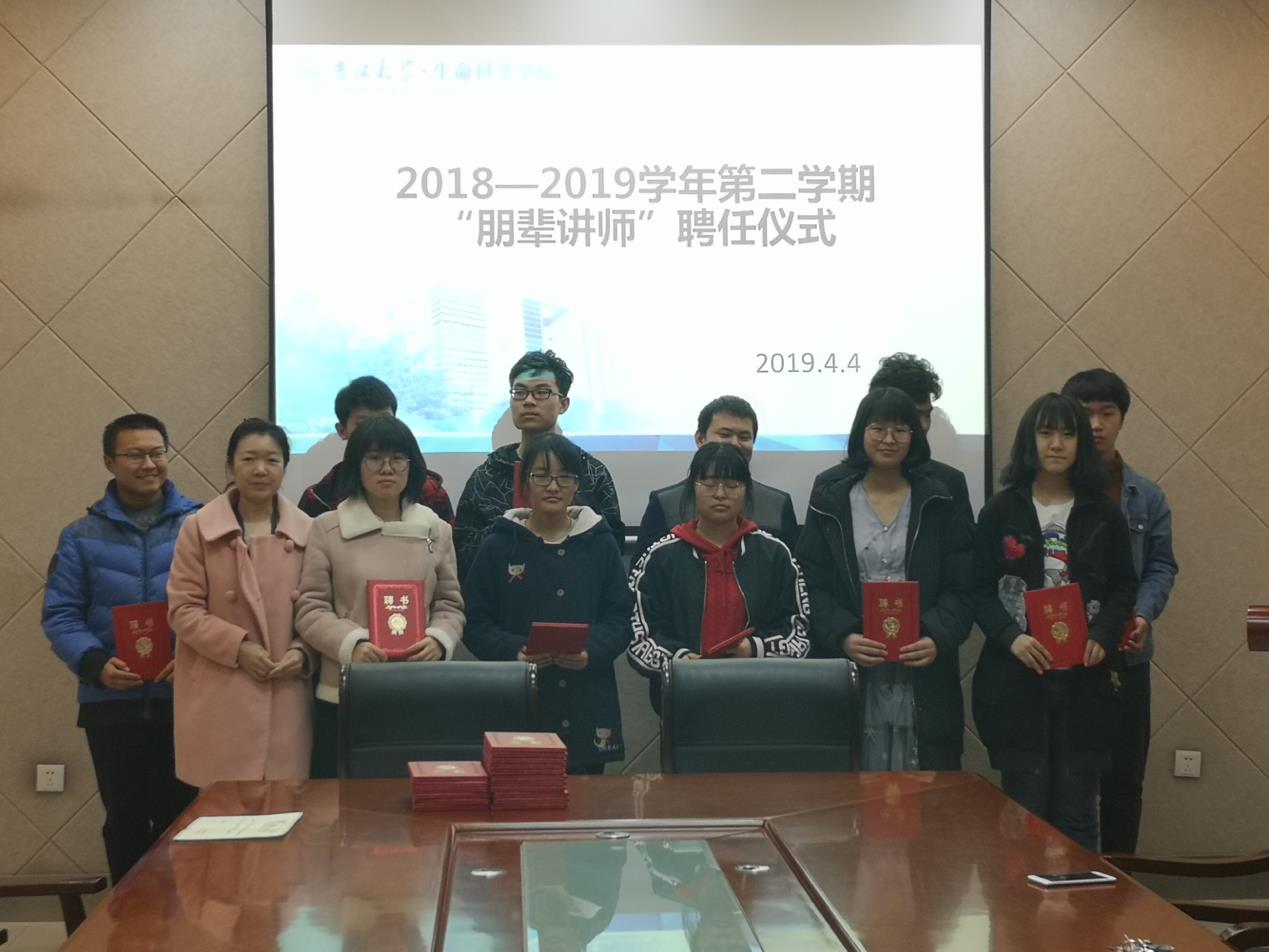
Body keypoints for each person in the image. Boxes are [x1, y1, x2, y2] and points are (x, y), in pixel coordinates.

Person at [972, 392, 1136, 851]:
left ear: (1081, 443)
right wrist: (1011, 638)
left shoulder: (1103, 513)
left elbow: (1125, 585)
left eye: (1067, 434)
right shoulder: (1001, 510)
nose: (1057, 444)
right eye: (1046, 433)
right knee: (1024, 815)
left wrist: (1104, 634)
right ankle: (1023, 900)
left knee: (1078, 814)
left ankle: (1082, 900)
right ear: (1030, 440)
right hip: (1018, 678)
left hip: (1085, 681)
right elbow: (977, 589)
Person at [42, 413, 199, 883]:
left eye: (157, 453)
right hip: (110, 704)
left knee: (186, 821)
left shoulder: (199, 526)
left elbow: (222, 609)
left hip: (186, 700)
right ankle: (128, 921)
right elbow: (60, 614)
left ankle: (188, 921)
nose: (149, 464)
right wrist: (95, 663)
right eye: (135, 454)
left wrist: (193, 657)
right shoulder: (80, 536)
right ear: (110, 462)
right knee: (125, 822)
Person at [797, 388, 974, 770]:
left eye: (900, 429)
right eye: (878, 428)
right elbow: (811, 583)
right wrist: (843, 635)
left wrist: (935, 636)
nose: (889, 439)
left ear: (915, 436)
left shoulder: (939, 498)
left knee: (928, 793)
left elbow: (963, 584)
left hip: (923, 669)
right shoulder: (830, 497)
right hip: (852, 664)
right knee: (851, 793)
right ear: (861, 432)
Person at [296, 415, 465, 778]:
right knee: (342, 801)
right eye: (373, 458)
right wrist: (352, 644)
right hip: (346, 689)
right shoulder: (327, 527)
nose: (386, 469)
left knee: (411, 798)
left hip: (417, 688)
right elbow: (310, 608)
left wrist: (439, 639)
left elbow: (450, 605)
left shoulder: (435, 529)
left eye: (397, 459)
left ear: (412, 465)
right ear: (356, 465)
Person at [462, 434, 632, 774]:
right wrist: (516, 652)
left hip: (587, 701)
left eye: (564, 476)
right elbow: (475, 621)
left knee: (585, 801)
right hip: (517, 700)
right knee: (518, 797)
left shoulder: (600, 543)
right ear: (525, 484)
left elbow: (620, 619)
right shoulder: (499, 544)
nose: (553, 486)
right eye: (541, 476)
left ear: (577, 485)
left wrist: (589, 651)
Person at [1062, 368, 1178, 853]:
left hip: (1126, 658)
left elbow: (1161, 566)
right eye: (1085, 413)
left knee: (1124, 781)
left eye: (1107, 413)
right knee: (1067, 780)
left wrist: (1143, 614)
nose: (1096, 424)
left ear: (1122, 419)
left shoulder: (1145, 495)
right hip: (1064, 657)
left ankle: (1121, 885)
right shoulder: (1050, 491)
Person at [167, 418, 315, 787]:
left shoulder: (308, 532)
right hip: (220, 686)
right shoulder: (198, 529)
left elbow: (319, 608)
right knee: (222, 810)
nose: (260, 470)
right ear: (230, 466)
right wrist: (238, 647)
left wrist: (303, 652)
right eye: (249, 459)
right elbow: (183, 610)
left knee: (283, 807)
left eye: (272, 460)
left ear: (285, 467)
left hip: (284, 688)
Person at [627, 442, 810, 713]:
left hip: (763, 698)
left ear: (747, 491)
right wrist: (680, 661)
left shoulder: (775, 554)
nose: (721, 494)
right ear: (692, 488)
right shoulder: (660, 556)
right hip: (684, 700)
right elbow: (639, 634)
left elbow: (798, 631)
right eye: (709, 484)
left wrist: (754, 648)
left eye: (732, 485)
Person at [454, 350, 623, 577]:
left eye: (542, 392)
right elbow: (463, 554)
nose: (529, 401)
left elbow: (612, 548)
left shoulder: (590, 472)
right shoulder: (487, 475)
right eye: (519, 392)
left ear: (563, 404)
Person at [632, 395, 798, 560]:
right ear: (700, 439)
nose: (735, 443)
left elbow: (792, 570)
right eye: (725, 435)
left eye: (744, 437)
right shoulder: (666, 503)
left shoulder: (777, 505)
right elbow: (644, 568)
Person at [813, 353, 974, 522]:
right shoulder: (830, 485)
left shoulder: (948, 483)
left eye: (927, 415)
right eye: (914, 415)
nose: (924, 425)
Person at [298, 375, 453, 524]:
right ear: (342, 430)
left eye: (385, 420)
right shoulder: (319, 498)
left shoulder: (429, 491)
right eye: (363, 424)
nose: (376, 431)